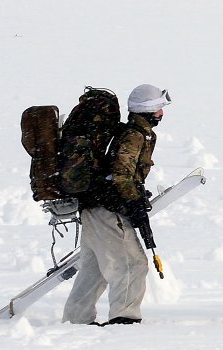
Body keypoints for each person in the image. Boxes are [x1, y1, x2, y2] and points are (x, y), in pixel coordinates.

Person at [63, 84, 171, 326]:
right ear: (148, 110)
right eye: (159, 109)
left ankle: (75, 320)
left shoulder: (129, 132)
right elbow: (120, 174)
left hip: (93, 207)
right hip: (107, 211)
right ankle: (125, 318)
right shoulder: (134, 135)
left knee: (96, 270)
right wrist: (133, 202)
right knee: (132, 264)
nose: (162, 114)